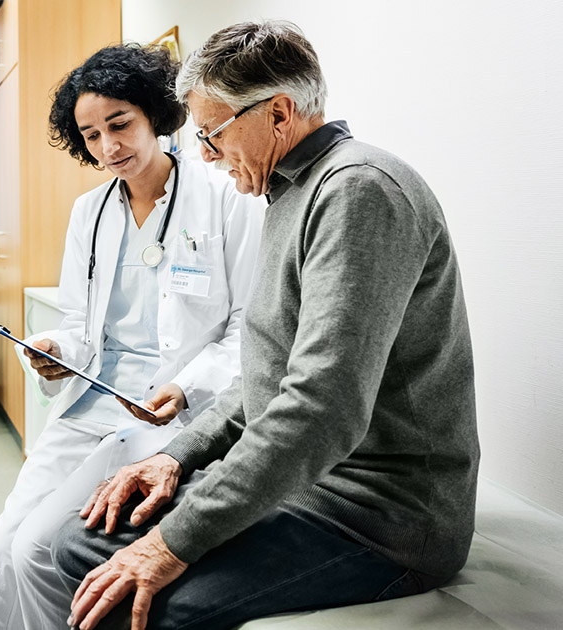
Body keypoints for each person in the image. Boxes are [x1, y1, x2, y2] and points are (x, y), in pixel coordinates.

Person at [54, 20, 480, 630]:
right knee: (82, 544)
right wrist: (177, 458)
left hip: (379, 516)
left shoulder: (360, 193)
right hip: (308, 485)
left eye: (213, 133)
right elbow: (267, 374)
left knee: (156, 603)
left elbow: (320, 408)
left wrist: (172, 543)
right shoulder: (290, 195)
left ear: (278, 113)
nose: (203, 154)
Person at [0, 44, 264, 630]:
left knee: (38, 552)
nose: (109, 147)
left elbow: (248, 329)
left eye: (120, 125)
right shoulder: (90, 212)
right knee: (4, 543)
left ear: (155, 114)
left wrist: (184, 387)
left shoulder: (224, 198)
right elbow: (80, 325)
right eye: (91, 135)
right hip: (92, 402)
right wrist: (55, 351)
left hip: (171, 415)